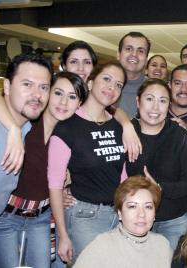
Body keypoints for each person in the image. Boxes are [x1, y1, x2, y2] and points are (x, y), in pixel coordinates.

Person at [0, 72, 87, 267]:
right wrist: (13, 129)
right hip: (7, 217)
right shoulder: (26, 122)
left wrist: (64, 190)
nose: (64, 102)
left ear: (79, 104)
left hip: (41, 218)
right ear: (47, 94)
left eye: (72, 97)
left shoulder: (69, 136)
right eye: (58, 93)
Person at [48, 61, 127, 264]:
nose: (112, 87)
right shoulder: (67, 127)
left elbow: (123, 174)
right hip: (84, 216)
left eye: (118, 85)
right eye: (107, 79)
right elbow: (55, 184)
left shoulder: (119, 126)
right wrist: (63, 234)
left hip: (116, 216)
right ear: (90, 83)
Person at [0, 53, 52, 244]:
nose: (37, 94)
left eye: (44, 87)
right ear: (7, 86)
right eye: (27, 84)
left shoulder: (25, 128)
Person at [125, 78, 187, 250]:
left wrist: (159, 188)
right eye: (149, 99)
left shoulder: (179, 135)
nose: (155, 107)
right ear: (138, 101)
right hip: (134, 220)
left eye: (162, 101)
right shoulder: (126, 132)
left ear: (169, 105)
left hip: (173, 222)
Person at [74, 176, 172, 268]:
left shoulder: (162, 245)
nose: (141, 214)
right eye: (132, 206)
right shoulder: (102, 246)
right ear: (120, 213)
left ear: (154, 214)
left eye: (148, 207)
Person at [117, 32, 150, 118]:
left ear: (146, 59)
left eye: (140, 51)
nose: (134, 54)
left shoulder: (153, 88)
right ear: (118, 54)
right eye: (128, 49)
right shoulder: (102, 87)